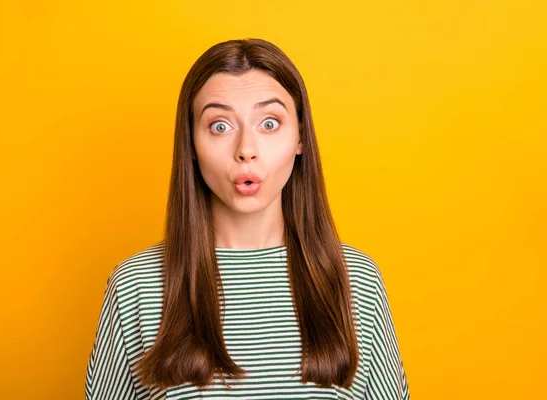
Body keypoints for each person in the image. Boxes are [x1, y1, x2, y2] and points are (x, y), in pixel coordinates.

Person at [85, 38, 410, 400]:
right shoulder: (136, 286)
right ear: (191, 144)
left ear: (300, 137)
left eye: (269, 123)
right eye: (220, 126)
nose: (246, 150)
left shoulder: (357, 280)